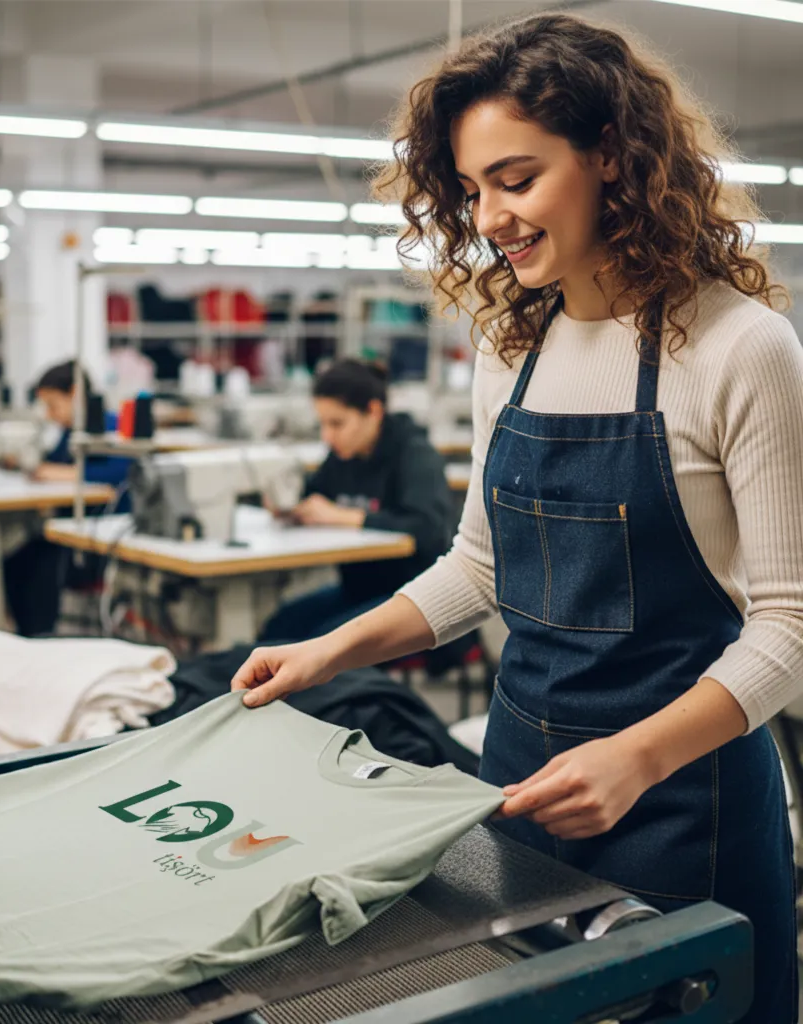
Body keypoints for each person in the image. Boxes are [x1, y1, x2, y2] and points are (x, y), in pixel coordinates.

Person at [231, 14, 803, 1024]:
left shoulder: (739, 347)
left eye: (516, 178)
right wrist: (331, 649)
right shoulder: (512, 350)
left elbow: (791, 625)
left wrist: (638, 756)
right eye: (471, 189)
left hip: (684, 800)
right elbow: (480, 568)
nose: (489, 215)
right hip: (520, 782)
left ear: (611, 155)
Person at [258, 358, 454, 643]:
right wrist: (288, 506)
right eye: (323, 424)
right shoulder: (343, 455)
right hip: (360, 591)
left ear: (373, 411)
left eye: (337, 423)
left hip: (416, 599)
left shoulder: (415, 454)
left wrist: (342, 516)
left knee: (323, 644)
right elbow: (314, 495)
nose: (327, 436)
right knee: (279, 626)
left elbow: (428, 529)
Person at [3, 360, 131, 638]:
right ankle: (27, 635)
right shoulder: (69, 434)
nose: (49, 415)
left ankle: (41, 638)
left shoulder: (111, 426)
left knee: (39, 570)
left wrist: (56, 472)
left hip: (99, 539)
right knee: (15, 561)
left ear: (74, 393)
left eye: (53, 405)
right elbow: (49, 465)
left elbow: (118, 473)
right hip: (69, 532)